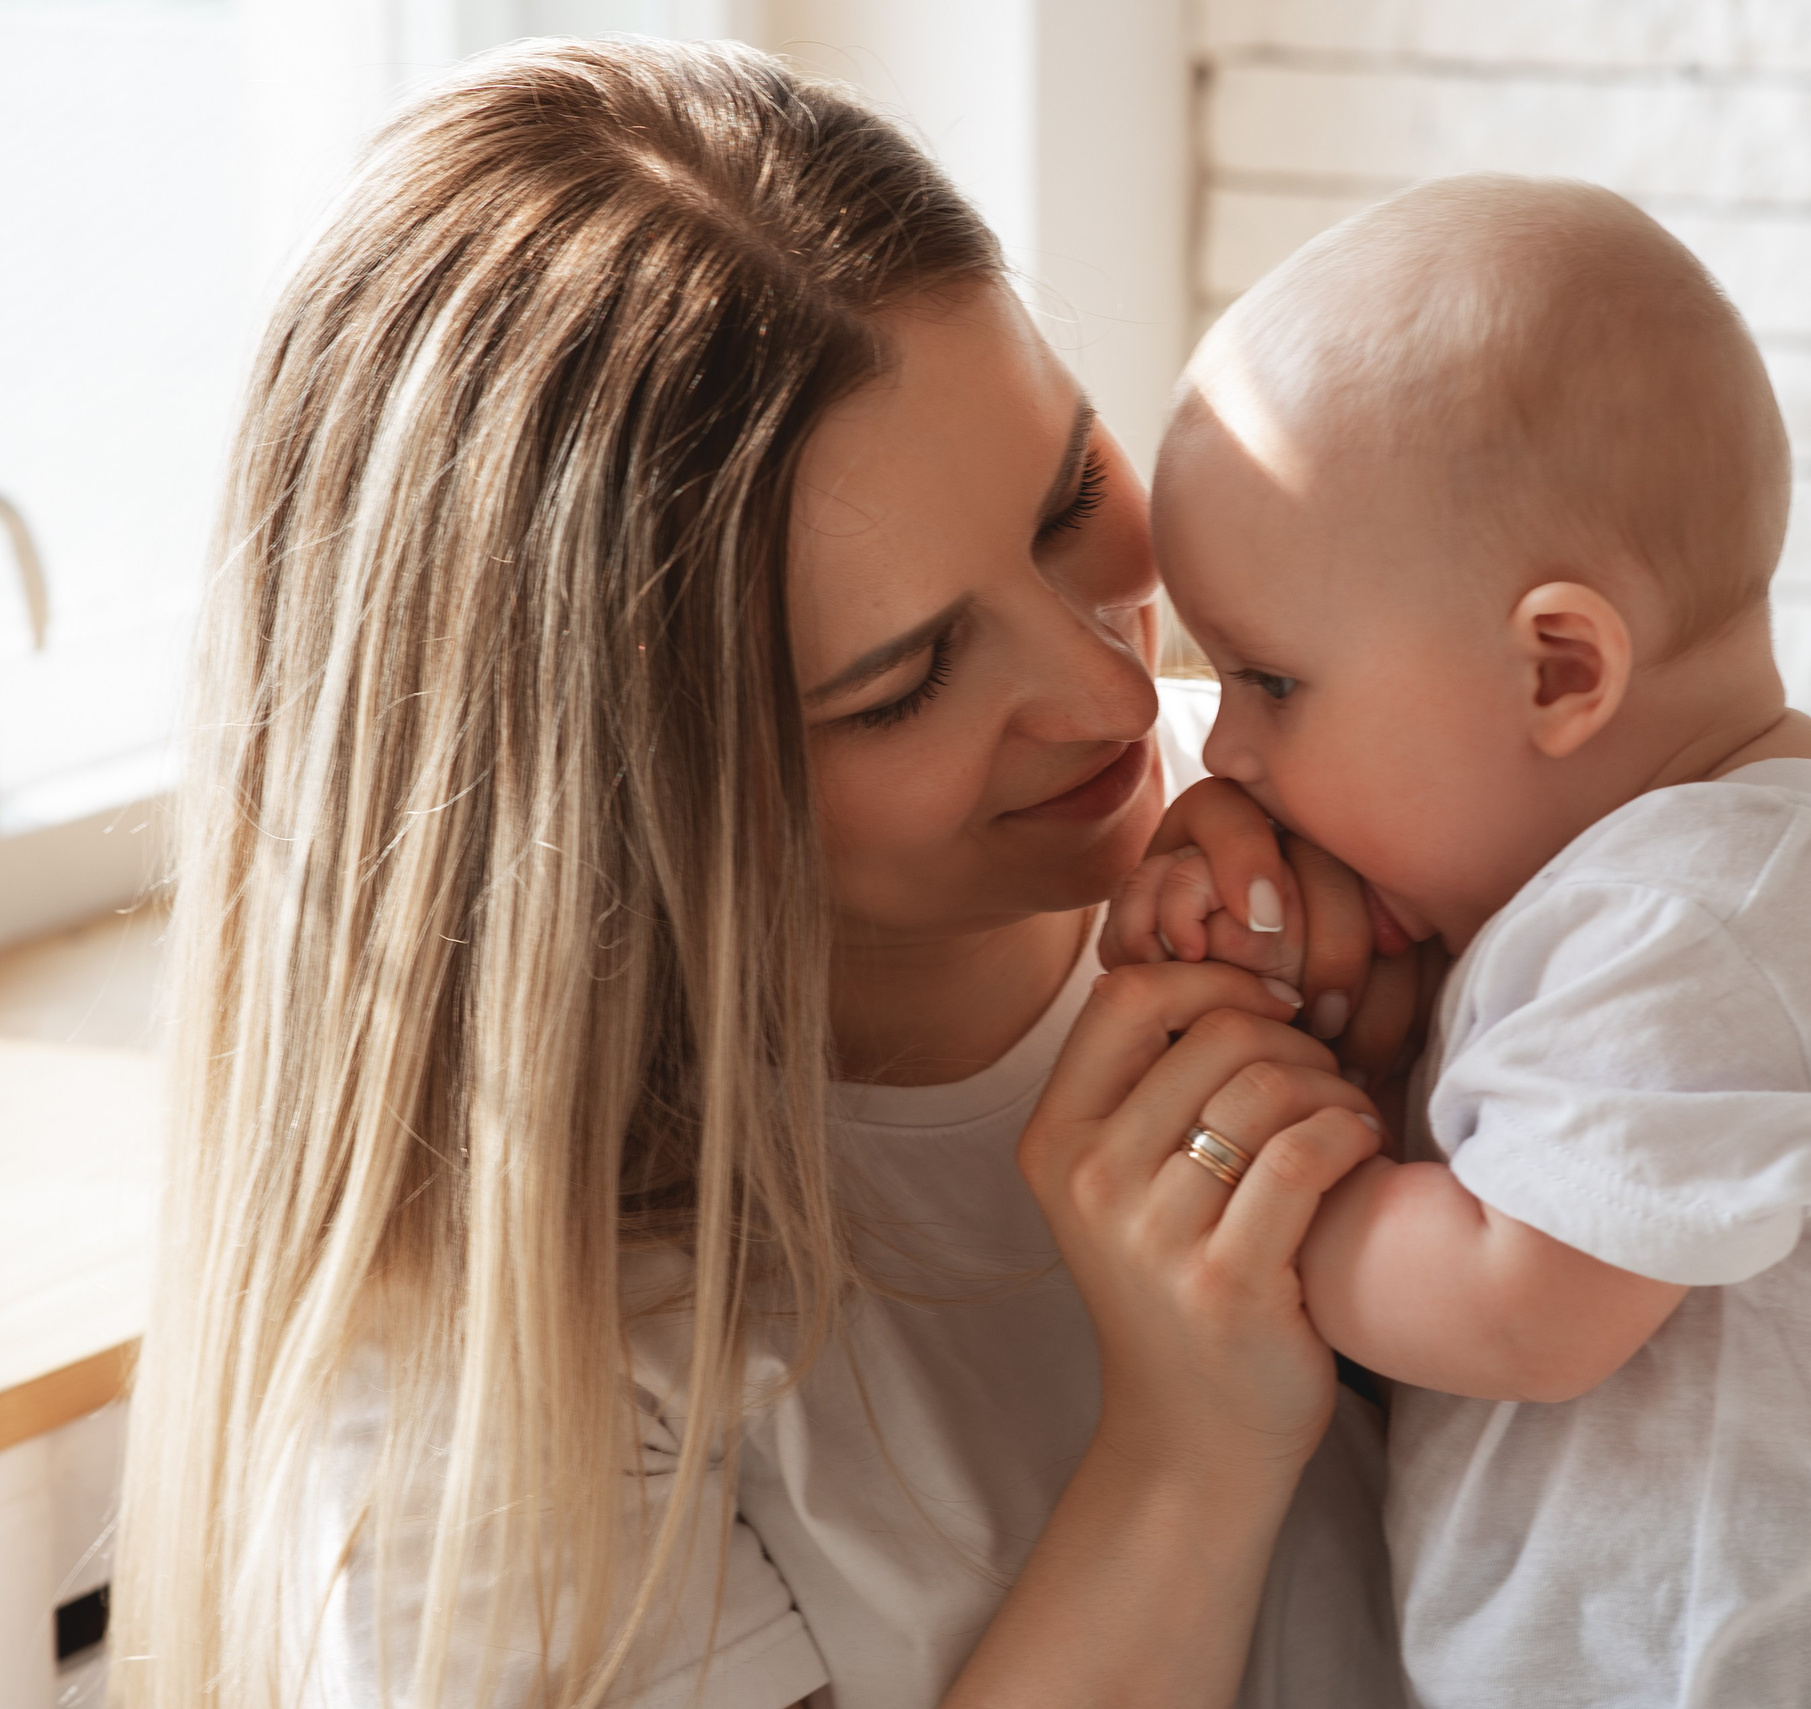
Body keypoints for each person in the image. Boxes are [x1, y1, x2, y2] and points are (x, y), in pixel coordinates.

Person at [113, 38, 1412, 1709]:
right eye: (905, 679)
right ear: (613, 809)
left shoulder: (1338, 834)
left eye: (1072, 494)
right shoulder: (487, 1392)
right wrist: (1185, 1458)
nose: (1115, 697)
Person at [1119, 176, 1811, 1707]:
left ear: (1559, 669)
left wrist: (1255, 1203)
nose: (1224, 750)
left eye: (1269, 682)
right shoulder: (1643, 884)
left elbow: (1521, 1303)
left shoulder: (1699, 913)